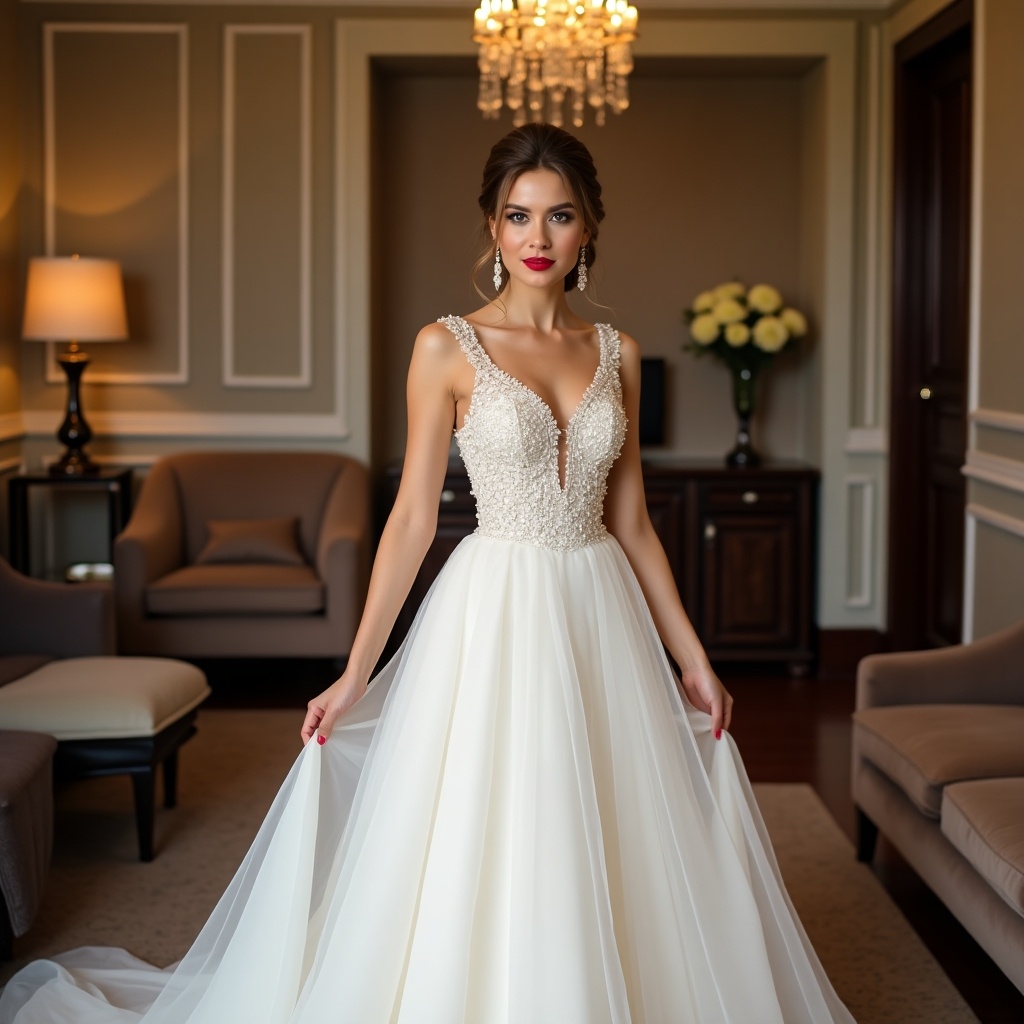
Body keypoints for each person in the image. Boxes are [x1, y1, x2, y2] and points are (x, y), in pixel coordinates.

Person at [0, 124, 855, 1024]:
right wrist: (355, 672)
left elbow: (633, 523)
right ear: (491, 227)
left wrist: (695, 658)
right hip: (497, 607)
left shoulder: (619, 354)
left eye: (559, 216)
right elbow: (410, 521)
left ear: (589, 227)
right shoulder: (446, 347)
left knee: (610, 816)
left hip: (599, 604)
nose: (538, 237)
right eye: (518, 216)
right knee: (492, 817)